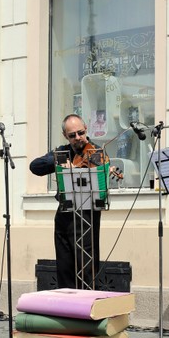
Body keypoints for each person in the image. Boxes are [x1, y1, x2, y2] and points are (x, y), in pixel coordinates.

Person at [30, 114, 107, 289]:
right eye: (72, 135)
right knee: (64, 266)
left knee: (86, 268)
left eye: (80, 133)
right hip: (65, 214)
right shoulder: (62, 152)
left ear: (86, 129)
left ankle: (87, 301)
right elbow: (35, 166)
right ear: (66, 136)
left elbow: (99, 181)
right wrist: (61, 161)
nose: (78, 138)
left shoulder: (95, 152)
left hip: (87, 216)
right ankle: (67, 301)